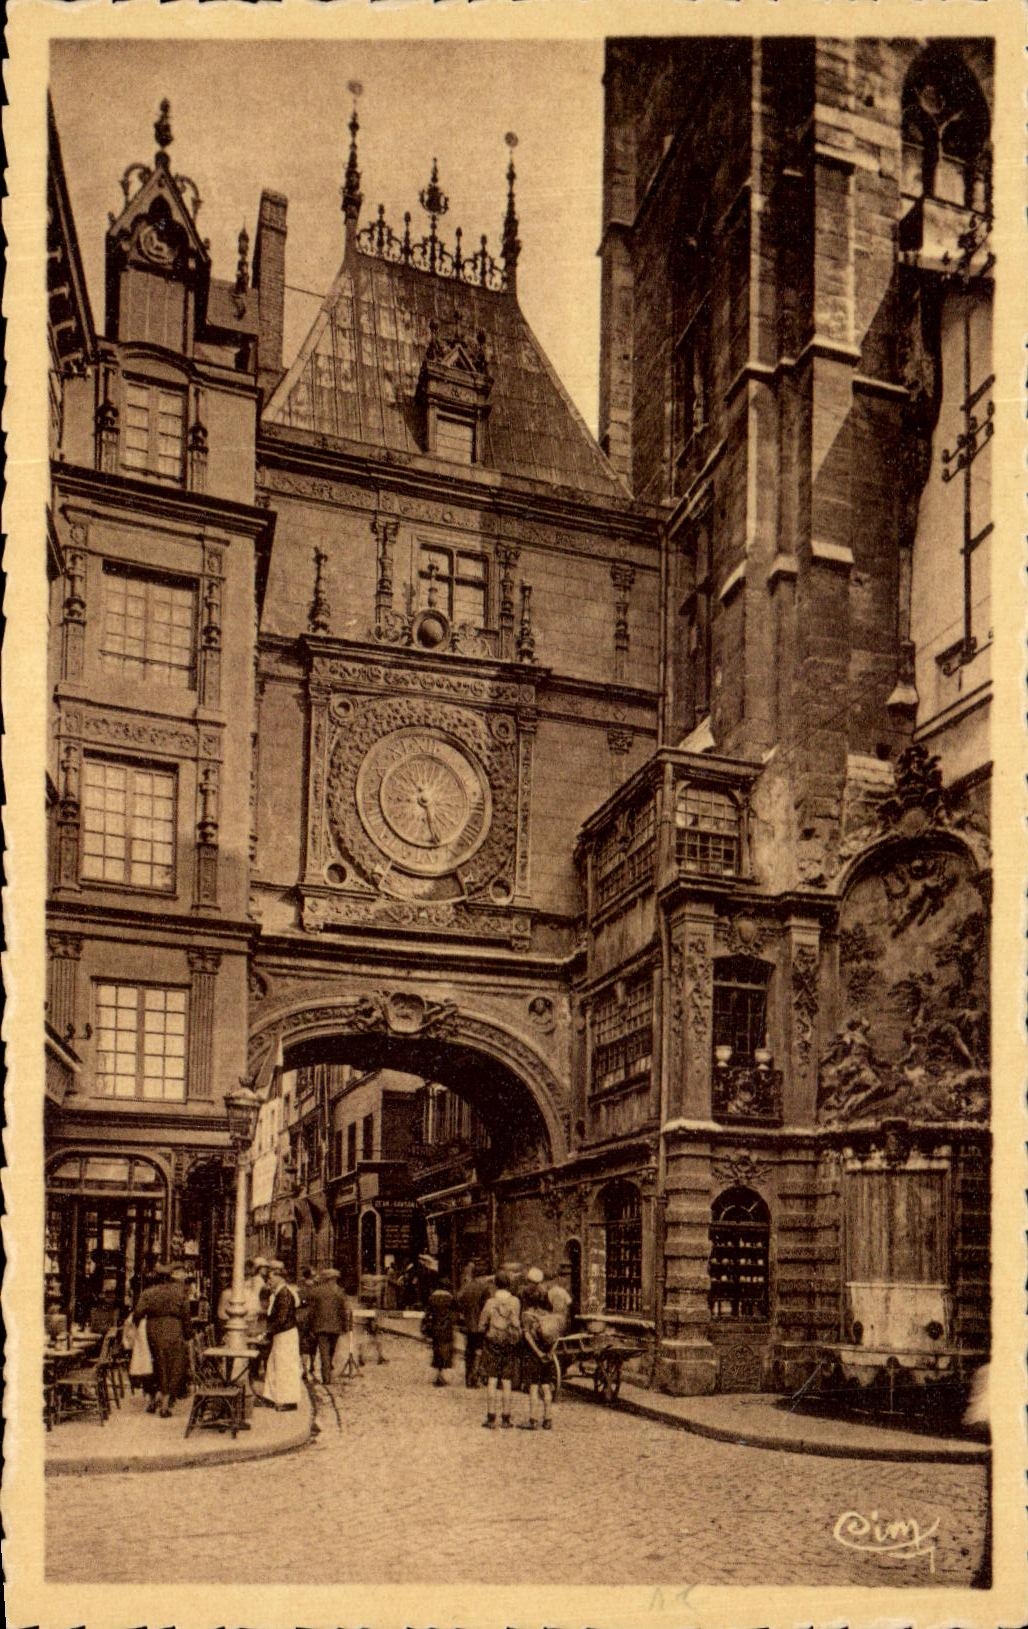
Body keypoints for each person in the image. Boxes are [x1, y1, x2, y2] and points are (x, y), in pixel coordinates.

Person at [132, 1262, 192, 1417]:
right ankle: (165, 1404)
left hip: (153, 1328)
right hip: (174, 1328)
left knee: (153, 1363)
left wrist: (139, 1327)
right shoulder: (180, 1292)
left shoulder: (148, 1292)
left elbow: (137, 1313)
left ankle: (151, 1400)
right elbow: (186, 1316)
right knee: (173, 1365)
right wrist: (188, 1334)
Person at [477, 1269, 522, 1428]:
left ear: (495, 1284)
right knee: (507, 1381)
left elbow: (481, 1326)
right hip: (509, 1343)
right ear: (509, 1284)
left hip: (492, 1344)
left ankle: (490, 1417)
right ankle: (506, 1417)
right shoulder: (515, 1302)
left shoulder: (490, 1303)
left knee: (492, 1380)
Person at [259, 1261, 303, 1410]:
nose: (268, 1280)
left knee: (286, 1367)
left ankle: (289, 1401)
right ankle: (272, 1397)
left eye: (271, 1277)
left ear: (279, 1277)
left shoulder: (284, 1293)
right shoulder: (279, 1292)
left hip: (286, 1335)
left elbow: (282, 1318)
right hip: (281, 1334)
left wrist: (268, 1332)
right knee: (274, 1365)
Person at [520, 1280, 562, 1431]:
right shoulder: (551, 1317)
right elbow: (556, 1338)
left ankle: (533, 1420)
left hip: (533, 1355)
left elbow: (526, 1336)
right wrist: (549, 1353)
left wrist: (537, 1353)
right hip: (548, 1355)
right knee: (545, 1386)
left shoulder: (527, 1315)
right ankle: (548, 1419)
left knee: (532, 1387)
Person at [307, 1266, 350, 1385]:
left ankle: (326, 1377)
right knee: (331, 1351)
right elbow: (344, 1311)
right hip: (335, 1328)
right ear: (333, 1279)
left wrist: (311, 1326)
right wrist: (345, 1327)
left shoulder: (317, 1291)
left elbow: (311, 1311)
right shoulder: (340, 1292)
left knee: (324, 1352)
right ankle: (327, 1374)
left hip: (320, 1327)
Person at [455, 1263, 493, 1389]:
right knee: (479, 1351)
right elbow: (487, 1307)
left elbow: (458, 1300)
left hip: (468, 1324)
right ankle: (474, 1377)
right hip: (480, 1326)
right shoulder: (484, 1289)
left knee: (469, 1352)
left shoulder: (467, 1287)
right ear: (482, 1276)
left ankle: (468, 1379)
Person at [421, 1273, 456, 1386]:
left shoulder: (432, 1297)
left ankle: (438, 1376)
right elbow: (455, 1312)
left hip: (435, 1328)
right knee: (446, 1352)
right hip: (446, 1328)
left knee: (437, 1351)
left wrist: (425, 1327)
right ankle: (442, 1376)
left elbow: (427, 1314)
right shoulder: (450, 1298)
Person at [297, 1266, 318, 1379]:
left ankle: (305, 1368)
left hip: (302, 1319)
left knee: (304, 1344)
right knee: (313, 1343)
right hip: (313, 1319)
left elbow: (297, 1304)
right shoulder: (316, 1290)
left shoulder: (301, 1291)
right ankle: (312, 1366)